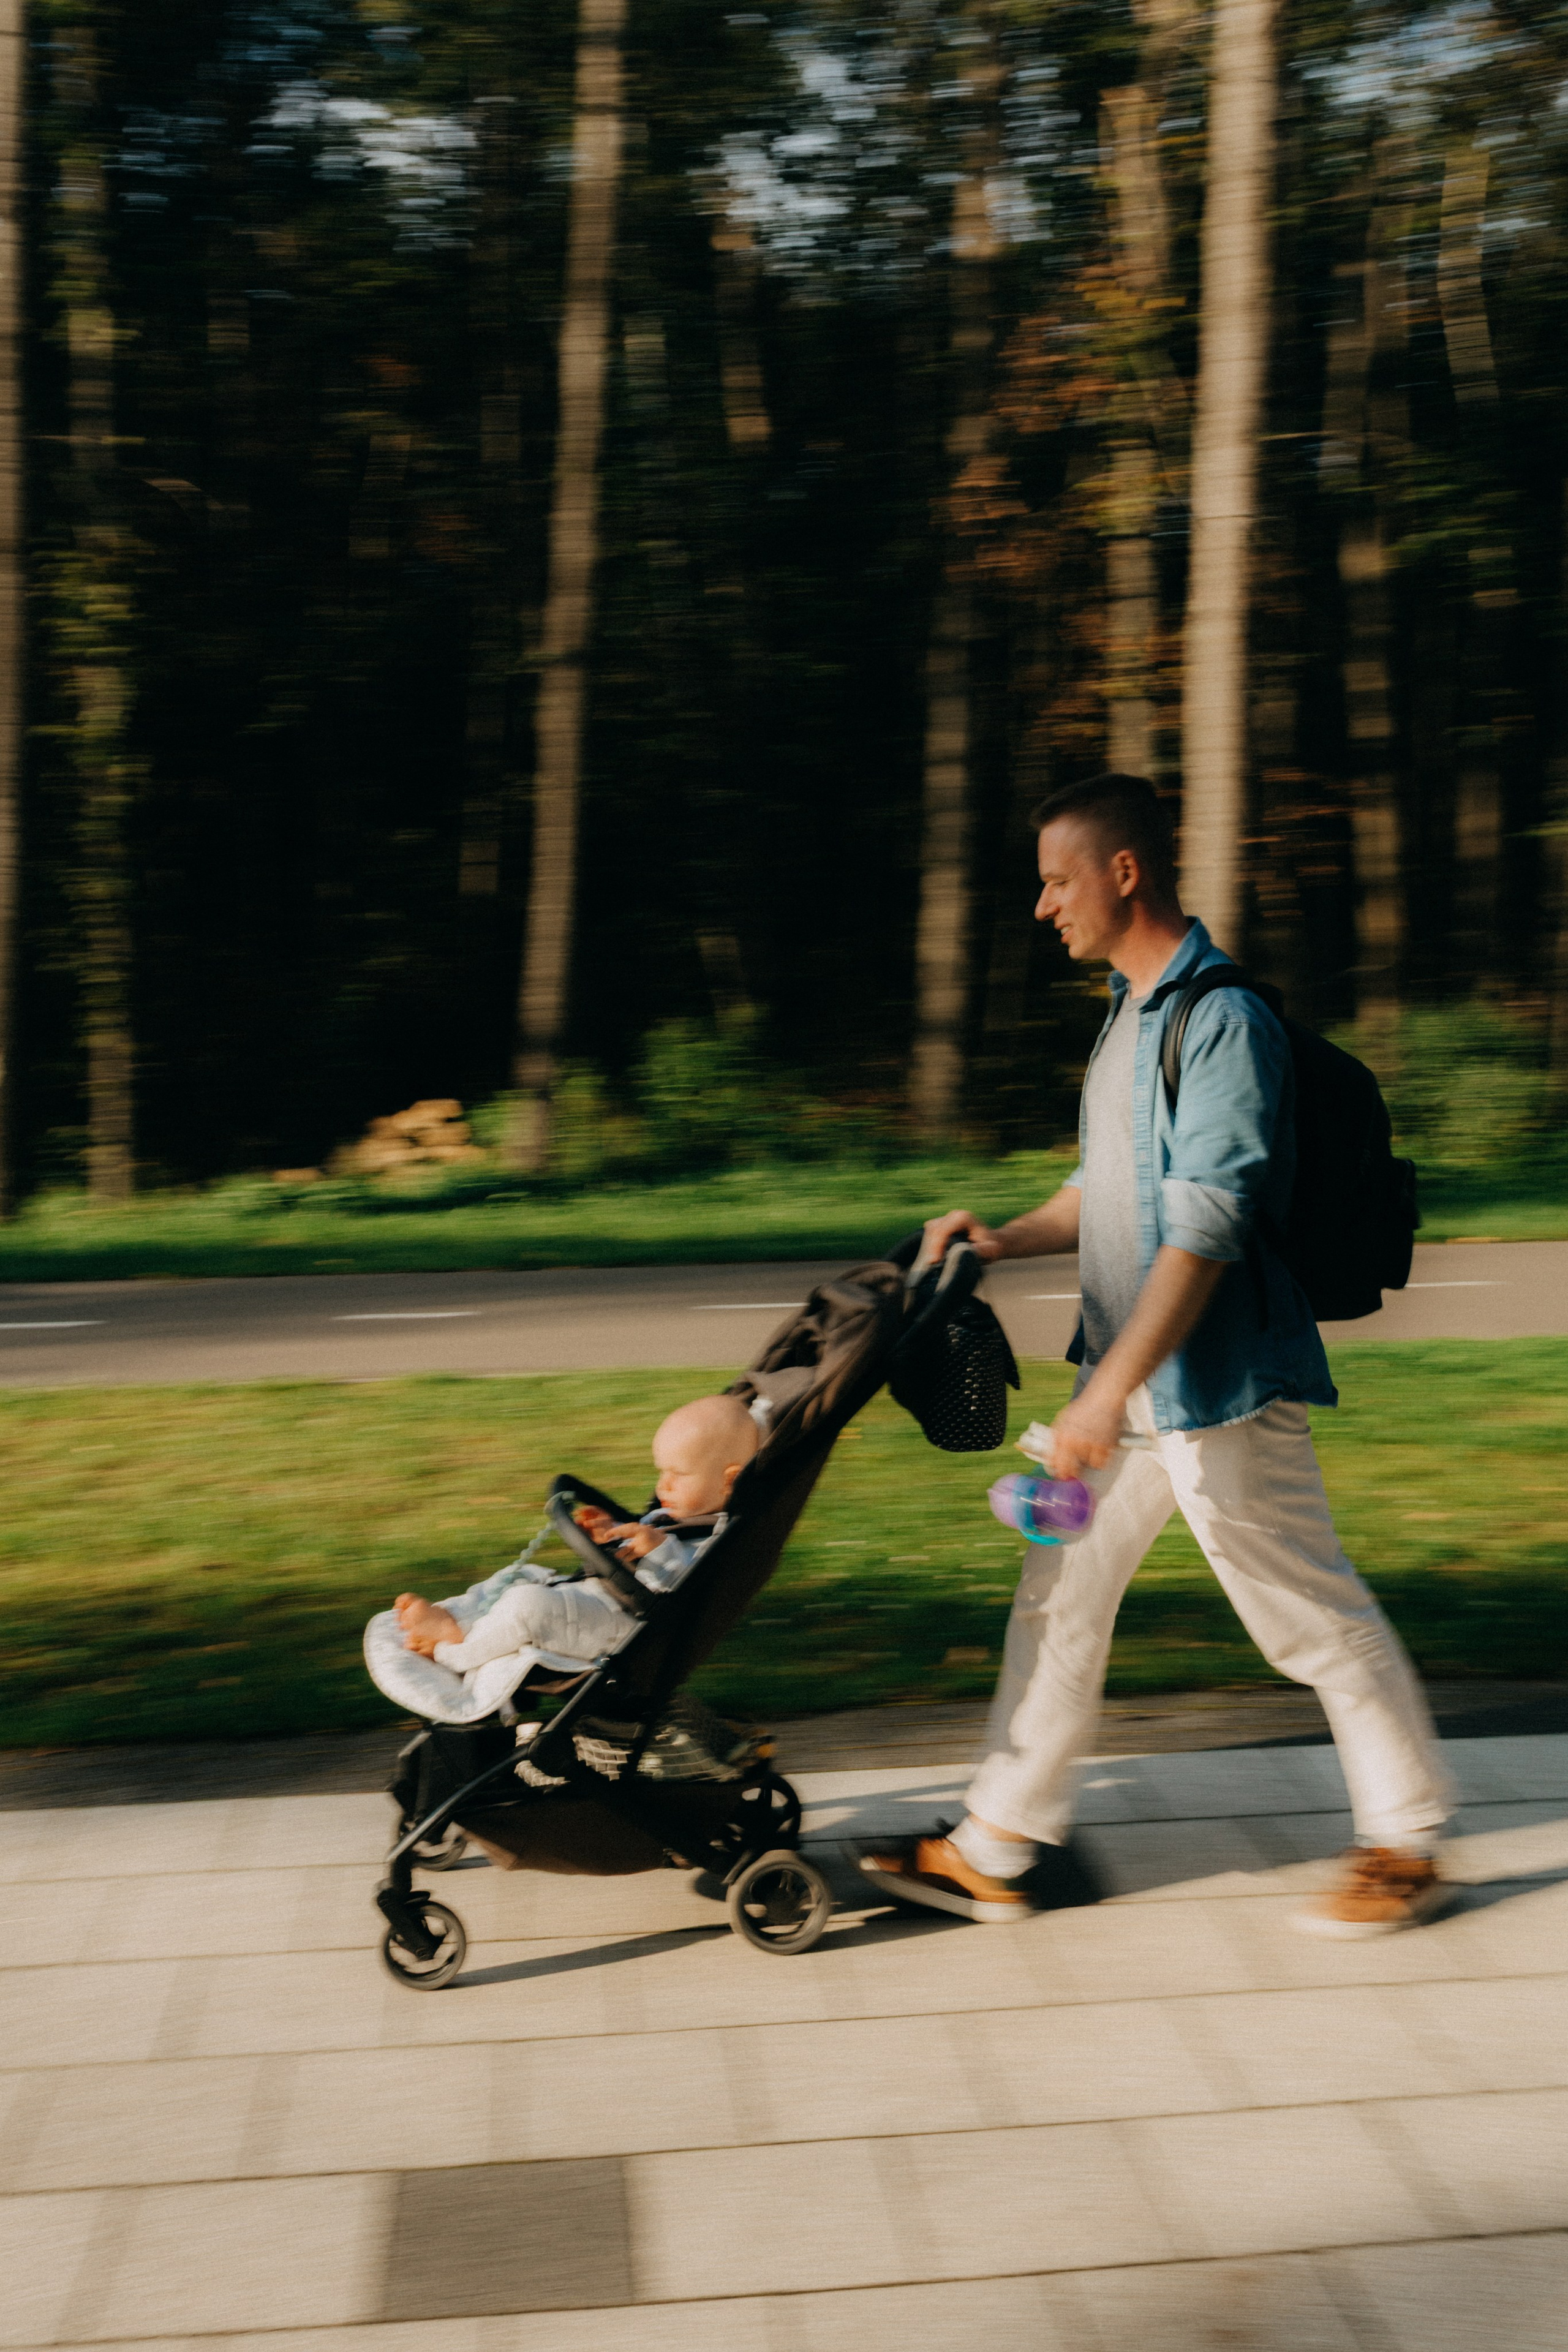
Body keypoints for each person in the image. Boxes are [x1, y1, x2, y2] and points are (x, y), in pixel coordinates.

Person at [863, 772, 1453, 1937]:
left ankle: (1408, 1838)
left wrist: (1107, 1396)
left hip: (1217, 1392)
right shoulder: (1132, 1018)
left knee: (1304, 1612)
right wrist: (1005, 1232)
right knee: (1060, 1594)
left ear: (1123, 872)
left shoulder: (1219, 1020)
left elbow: (1209, 1229)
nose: (1044, 907)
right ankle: (997, 1842)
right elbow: (1107, 1191)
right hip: (1128, 1391)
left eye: (1056, 880)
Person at [394, 1393, 759, 1674]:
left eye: (678, 1475)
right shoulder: (677, 1511)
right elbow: (635, 1545)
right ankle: (458, 1618)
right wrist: (612, 1531)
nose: (663, 1485)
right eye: (660, 1471)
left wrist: (659, 1549)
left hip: (627, 1627)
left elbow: (690, 1590)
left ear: (730, 1480)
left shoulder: (720, 1536)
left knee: (529, 1606)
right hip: (603, 1596)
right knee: (525, 1577)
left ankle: (455, 1650)